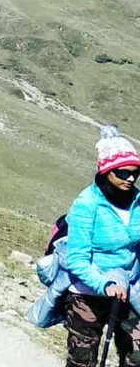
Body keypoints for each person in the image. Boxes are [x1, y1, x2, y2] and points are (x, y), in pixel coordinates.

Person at [58, 127, 140, 366]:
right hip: (86, 293)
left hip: (129, 288)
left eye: (136, 173)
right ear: (106, 171)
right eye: (123, 173)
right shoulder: (86, 204)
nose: (131, 179)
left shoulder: (138, 202)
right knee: (82, 360)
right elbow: (76, 259)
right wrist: (104, 283)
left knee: (137, 356)